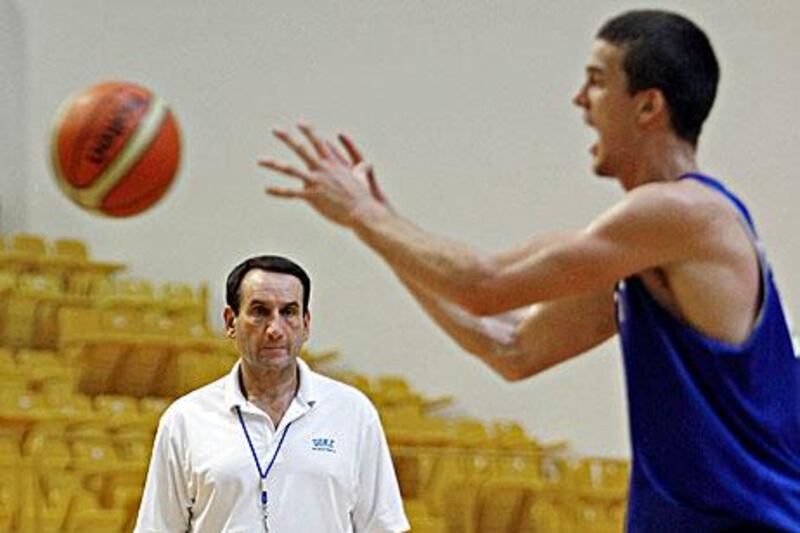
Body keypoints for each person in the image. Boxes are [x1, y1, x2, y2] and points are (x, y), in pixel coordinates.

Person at [258, 9, 800, 532]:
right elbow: (511, 347)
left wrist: (364, 213)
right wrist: (379, 229)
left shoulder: (683, 213)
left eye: (596, 81)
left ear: (647, 106)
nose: (579, 100)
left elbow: (483, 286)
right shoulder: (644, 246)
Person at [134, 255, 409, 532]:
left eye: (288, 312)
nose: (275, 329)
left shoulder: (353, 412)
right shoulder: (186, 419)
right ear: (231, 322)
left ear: (306, 323)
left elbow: (382, 527)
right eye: (260, 311)